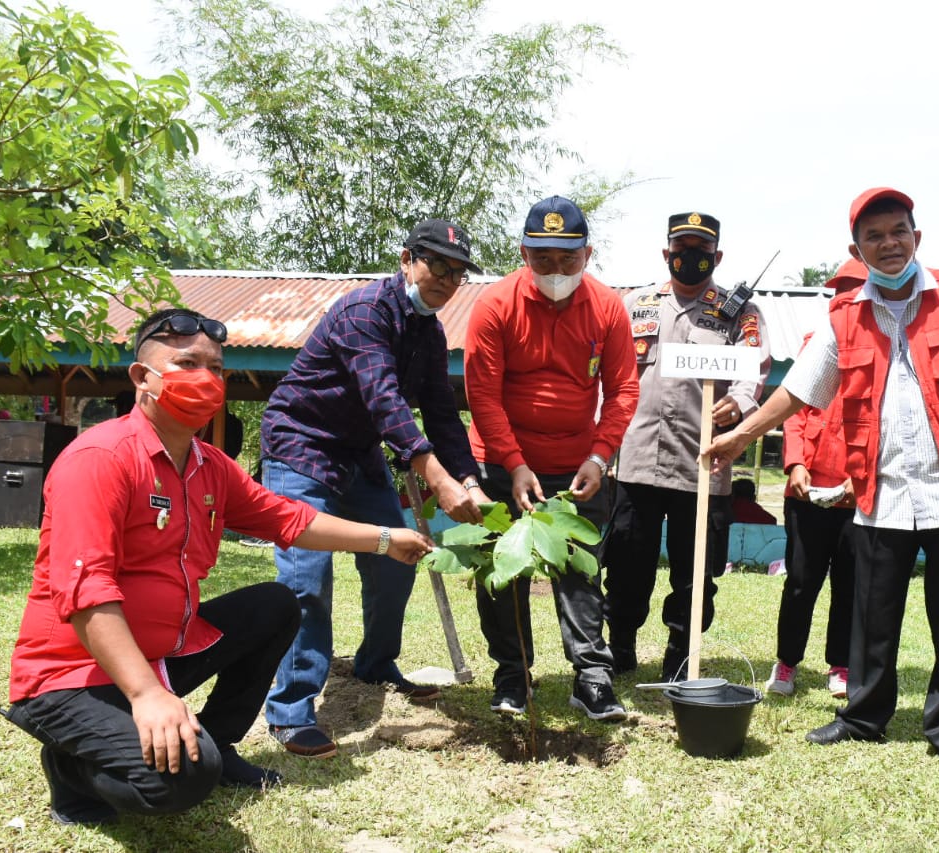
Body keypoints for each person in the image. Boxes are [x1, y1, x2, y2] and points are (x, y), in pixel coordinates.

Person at [2, 309, 434, 826]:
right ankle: (70, 767)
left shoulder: (209, 465)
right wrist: (147, 696)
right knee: (184, 777)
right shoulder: (101, 458)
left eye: (215, 367)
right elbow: (86, 588)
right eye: (187, 363)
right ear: (143, 378)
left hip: (157, 654)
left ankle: (219, 741)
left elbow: (287, 519)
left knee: (276, 604)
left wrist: (386, 540)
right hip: (69, 676)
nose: (205, 379)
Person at [705, 187, 939, 774]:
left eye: (897, 231)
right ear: (858, 248)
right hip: (879, 494)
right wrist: (740, 436)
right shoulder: (843, 316)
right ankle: (862, 717)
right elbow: (799, 391)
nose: (888, 244)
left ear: (916, 236)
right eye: (873, 236)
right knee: (871, 617)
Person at [260, 219, 489, 759]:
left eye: (457, 272)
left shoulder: (430, 334)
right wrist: (435, 476)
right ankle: (290, 710)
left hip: (359, 454)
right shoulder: (363, 312)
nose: (446, 279)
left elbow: (441, 414)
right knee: (306, 577)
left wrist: (470, 480)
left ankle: (375, 662)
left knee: (396, 559)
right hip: (301, 444)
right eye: (437, 265)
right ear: (408, 259)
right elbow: (385, 399)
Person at [464, 195, 639, 720]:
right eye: (542, 258)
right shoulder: (494, 306)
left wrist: (601, 456)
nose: (555, 270)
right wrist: (514, 464)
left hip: (577, 466)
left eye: (568, 258)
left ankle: (591, 678)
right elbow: (483, 395)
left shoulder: (607, 307)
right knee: (503, 571)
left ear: (588, 254)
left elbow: (624, 390)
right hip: (500, 463)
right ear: (523, 252)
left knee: (581, 572)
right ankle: (512, 676)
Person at [604, 212, 770, 683]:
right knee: (625, 564)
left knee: (695, 573)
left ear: (716, 257)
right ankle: (620, 648)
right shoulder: (634, 304)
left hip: (702, 464)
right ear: (666, 253)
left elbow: (754, 369)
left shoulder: (740, 312)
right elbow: (611, 373)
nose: (690, 258)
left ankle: (681, 656)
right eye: (683, 249)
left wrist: (738, 405)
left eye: (701, 251)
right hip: (636, 461)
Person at [765, 259, 865, 698]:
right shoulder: (814, 345)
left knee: (849, 585)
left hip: (858, 496)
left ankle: (840, 666)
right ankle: (786, 663)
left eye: (853, 291)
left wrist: (860, 479)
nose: (845, 300)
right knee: (801, 581)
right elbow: (794, 413)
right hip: (806, 493)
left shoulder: (886, 353)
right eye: (839, 292)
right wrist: (797, 465)